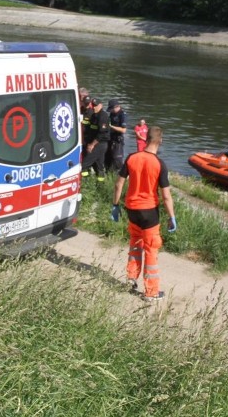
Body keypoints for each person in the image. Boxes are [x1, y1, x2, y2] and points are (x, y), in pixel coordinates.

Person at [110, 125, 176, 302]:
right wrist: (171, 217)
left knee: (135, 244)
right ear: (160, 141)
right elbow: (166, 196)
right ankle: (151, 292)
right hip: (149, 213)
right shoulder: (159, 164)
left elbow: (118, 184)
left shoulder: (132, 158)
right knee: (151, 250)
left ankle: (131, 278)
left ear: (146, 139)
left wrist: (115, 205)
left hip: (132, 209)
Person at [81, 98, 110, 181]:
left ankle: (85, 183)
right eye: (93, 105)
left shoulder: (103, 116)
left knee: (84, 165)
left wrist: (92, 145)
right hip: (95, 142)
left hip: (99, 144)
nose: (94, 107)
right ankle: (100, 186)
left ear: (101, 105)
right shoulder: (94, 115)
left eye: (96, 106)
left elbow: (102, 133)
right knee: (99, 166)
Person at [106, 99, 127, 171]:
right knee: (108, 158)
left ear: (116, 107)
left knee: (117, 160)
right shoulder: (112, 113)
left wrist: (111, 126)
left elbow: (123, 130)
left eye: (111, 109)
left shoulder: (122, 114)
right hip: (111, 138)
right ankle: (109, 173)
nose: (111, 111)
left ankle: (120, 174)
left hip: (118, 140)